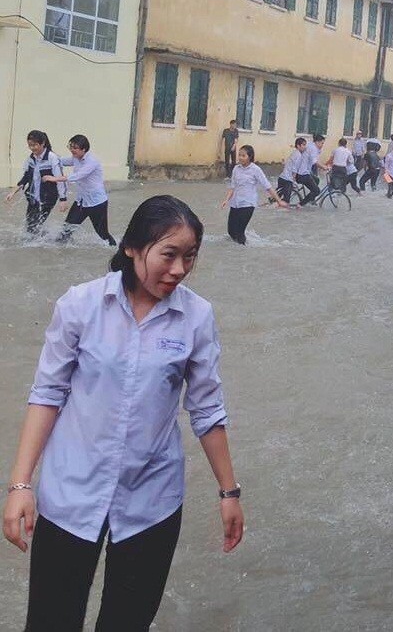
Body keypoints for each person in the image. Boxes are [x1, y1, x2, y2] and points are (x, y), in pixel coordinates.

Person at [2, 195, 244, 631]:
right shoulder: (80, 305)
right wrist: (20, 484)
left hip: (152, 500)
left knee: (127, 623)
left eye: (190, 257)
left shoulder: (196, 317)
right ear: (132, 246)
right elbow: (47, 395)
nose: (179, 269)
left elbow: (207, 410)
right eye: (168, 254)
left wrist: (230, 493)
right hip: (71, 492)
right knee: (50, 622)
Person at [43, 135, 116, 246]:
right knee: (66, 230)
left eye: (75, 148)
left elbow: (77, 176)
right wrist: (47, 153)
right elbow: (59, 160)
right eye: (71, 147)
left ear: (84, 149)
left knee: (102, 233)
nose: (72, 150)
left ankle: (117, 250)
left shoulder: (92, 161)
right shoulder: (75, 158)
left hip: (96, 203)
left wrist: (54, 179)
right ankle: (59, 254)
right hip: (81, 202)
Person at [5, 130, 68, 236]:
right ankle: (42, 239)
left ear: (43, 143)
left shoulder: (52, 158)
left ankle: (42, 243)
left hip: (48, 198)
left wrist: (63, 199)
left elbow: (60, 179)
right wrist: (13, 192)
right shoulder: (31, 158)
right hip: (33, 198)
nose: (32, 148)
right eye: (30, 145)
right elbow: (25, 178)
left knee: (35, 226)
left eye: (35, 145)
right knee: (30, 226)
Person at [222, 144, 287, 243]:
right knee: (231, 232)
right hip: (235, 203)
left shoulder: (255, 170)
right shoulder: (236, 169)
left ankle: (242, 252)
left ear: (250, 157)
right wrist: (226, 200)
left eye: (243, 156)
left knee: (239, 232)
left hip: (248, 204)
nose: (240, 157)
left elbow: (267, 186)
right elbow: (232, 187)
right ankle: (237, 249)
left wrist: (279, 201)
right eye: (239, 155)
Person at [277, 137, 307, 203]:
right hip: (287, 180)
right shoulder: (298, 155)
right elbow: (294, 169)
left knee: (276, 199)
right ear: (298, 146)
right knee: (286, 202)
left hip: (282, 178)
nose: (305, 147)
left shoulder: (294, 153)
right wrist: (293, 180)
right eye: (303, 145)